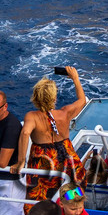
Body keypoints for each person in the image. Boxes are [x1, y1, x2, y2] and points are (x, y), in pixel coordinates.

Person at [19, 71, 87, 205]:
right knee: (79, 183)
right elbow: (82, 100)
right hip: (66, 154)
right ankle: (64, 202)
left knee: (38, 194)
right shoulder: (65, 112)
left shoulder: (32, 116)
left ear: (36, 97)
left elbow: (25, 133)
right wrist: (75, 78)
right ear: (54, 98)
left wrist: (21, 161)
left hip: (44, 158)